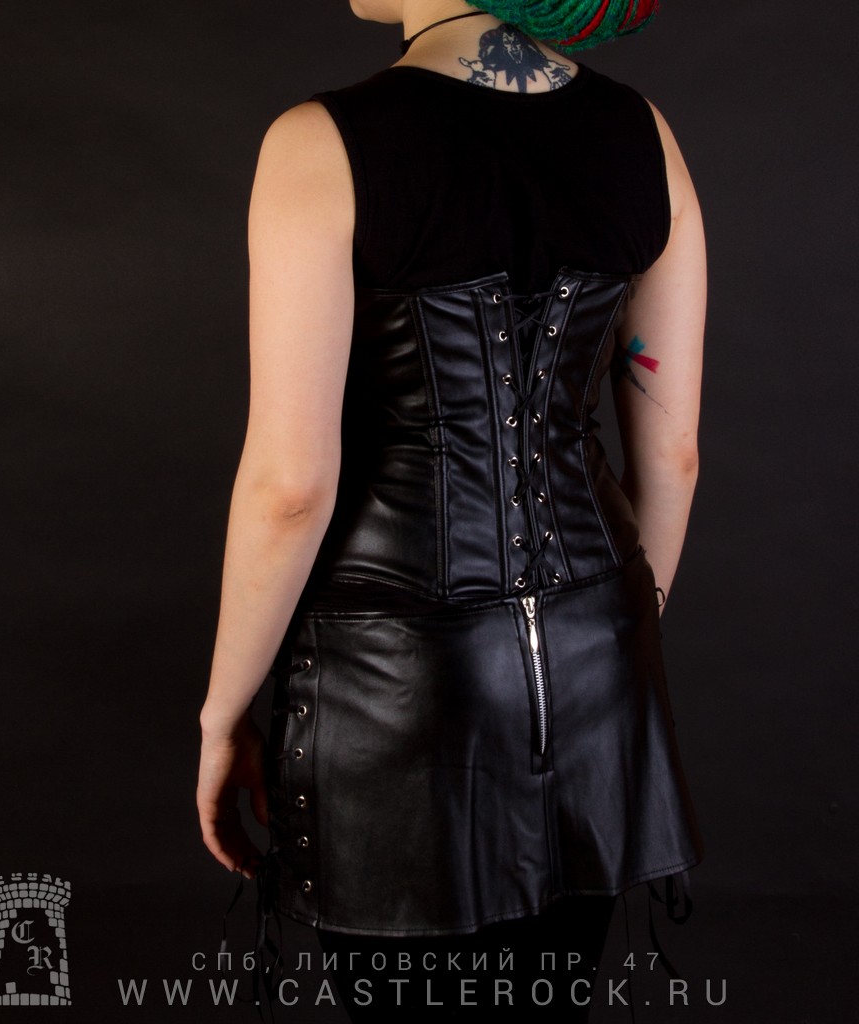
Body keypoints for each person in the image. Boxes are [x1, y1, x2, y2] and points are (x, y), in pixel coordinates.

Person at [197, 0, 706, 1018]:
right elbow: (674, 457)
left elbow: (291, 488)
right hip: (601, 659)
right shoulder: (641, 133)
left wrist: (223, 712)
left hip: (392, 689)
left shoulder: (319, 144)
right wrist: (613, 639)